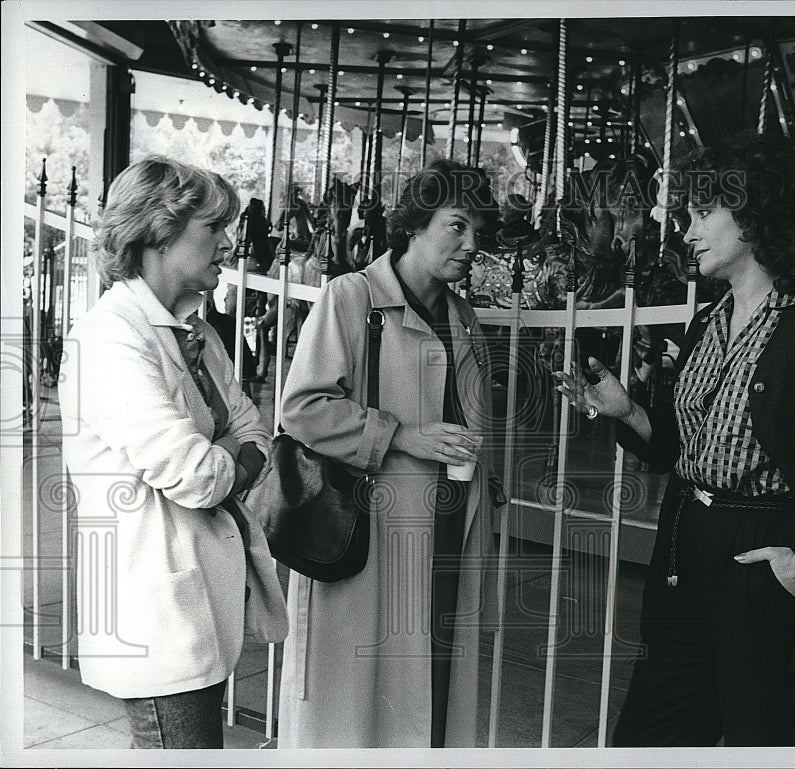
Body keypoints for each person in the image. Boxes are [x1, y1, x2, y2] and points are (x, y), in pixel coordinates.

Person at [554, 133, 795, 746]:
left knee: (762, 737)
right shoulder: (709, 319)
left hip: (767, 552)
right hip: (685, 545)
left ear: (754, 218)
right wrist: (627, 412)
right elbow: (682, 446)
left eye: (702, 215)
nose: (686, 232)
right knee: (652, 736)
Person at [59, 156, 287, 749]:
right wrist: (232, 456)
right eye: (213, 229)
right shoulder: (110, 338)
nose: (230, 244)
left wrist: (233, 452)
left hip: (196, 608)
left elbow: (254, 430)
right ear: (160, 233)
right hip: (154, 614)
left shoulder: (198, 332)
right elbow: (199, 477)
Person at [277, 159, 504, 748]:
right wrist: (401, 434)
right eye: (457, 226)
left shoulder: (464, 316)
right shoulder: (350, 299)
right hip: (373, 532)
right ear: (415, 224)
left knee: (434, 687)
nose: (470, 245)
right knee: (357, 700)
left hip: (449, 531)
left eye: (477, 232)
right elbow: (301, 408)